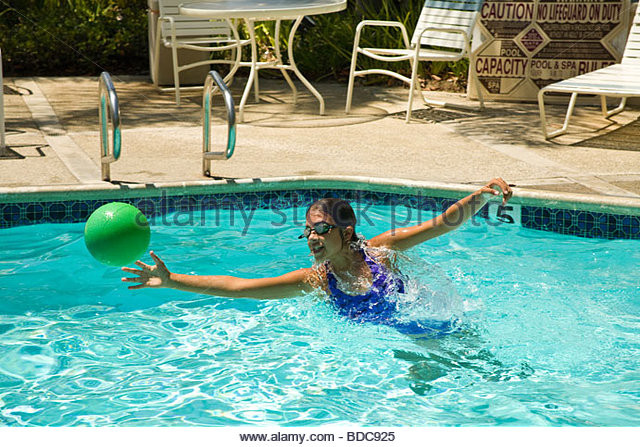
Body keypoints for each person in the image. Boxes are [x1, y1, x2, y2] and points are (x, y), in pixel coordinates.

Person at [122, 178, 513, 336]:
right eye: (308, 230)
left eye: (321, 230)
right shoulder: (316, 281)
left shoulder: (381, 251)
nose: (311, 238)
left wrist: (479, 197)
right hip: (399, 338)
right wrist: (173, 281)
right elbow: (240, 288)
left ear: (345, 232)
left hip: (431, 319)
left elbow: (440, 224)